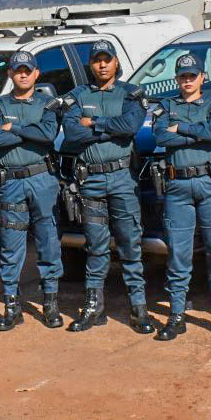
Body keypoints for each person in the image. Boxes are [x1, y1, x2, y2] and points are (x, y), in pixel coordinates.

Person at [60, 39, 155, 335]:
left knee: (130, 245)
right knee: (96, 247)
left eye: (107, 59)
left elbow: (130, 126)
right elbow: (72, 134)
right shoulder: (77, 95)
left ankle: (139, 308)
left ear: (116, 63)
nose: (102, 64)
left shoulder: (131, 93)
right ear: (91, 64)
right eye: (97, 59)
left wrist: (95, 124)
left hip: (122, 180)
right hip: (91, 182)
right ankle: (93, 308)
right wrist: (106, 129)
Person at [152, 53, 211, 341]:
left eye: (192, 76)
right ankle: (177, 315)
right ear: (177, 79)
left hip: (210, 182)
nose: (187, 81)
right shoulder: (166, 105)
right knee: (178, 253)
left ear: (202, 77)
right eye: (182, 76)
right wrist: (195, 134)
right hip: (178, 186)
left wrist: (183, 128)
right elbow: (161, 137)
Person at [0, 49, 64, 331]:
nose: (23, 74)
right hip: (12, 183)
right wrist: (30, 129)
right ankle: (11, 305)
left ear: (36, 73)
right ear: (10, 74)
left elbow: (47, 135)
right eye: (18, 70)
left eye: (28, 70)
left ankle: (50, 303)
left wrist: (13, 126)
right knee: (11, 245)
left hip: (42, 179)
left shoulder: (48, 103)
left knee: (48, 241)